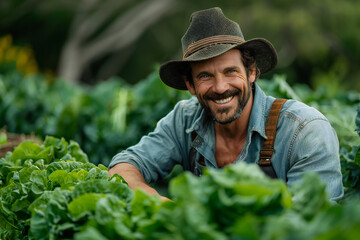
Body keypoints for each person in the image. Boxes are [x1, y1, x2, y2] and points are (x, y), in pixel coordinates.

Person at [108, 7, 343, 201]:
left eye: (230, 71)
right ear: (190, 85)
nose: (220, 87)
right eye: (205, 76)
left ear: (252, 72)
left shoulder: (305, 131)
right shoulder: (184, 121)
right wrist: (164, 206)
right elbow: (122, 169)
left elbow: (313, 224)